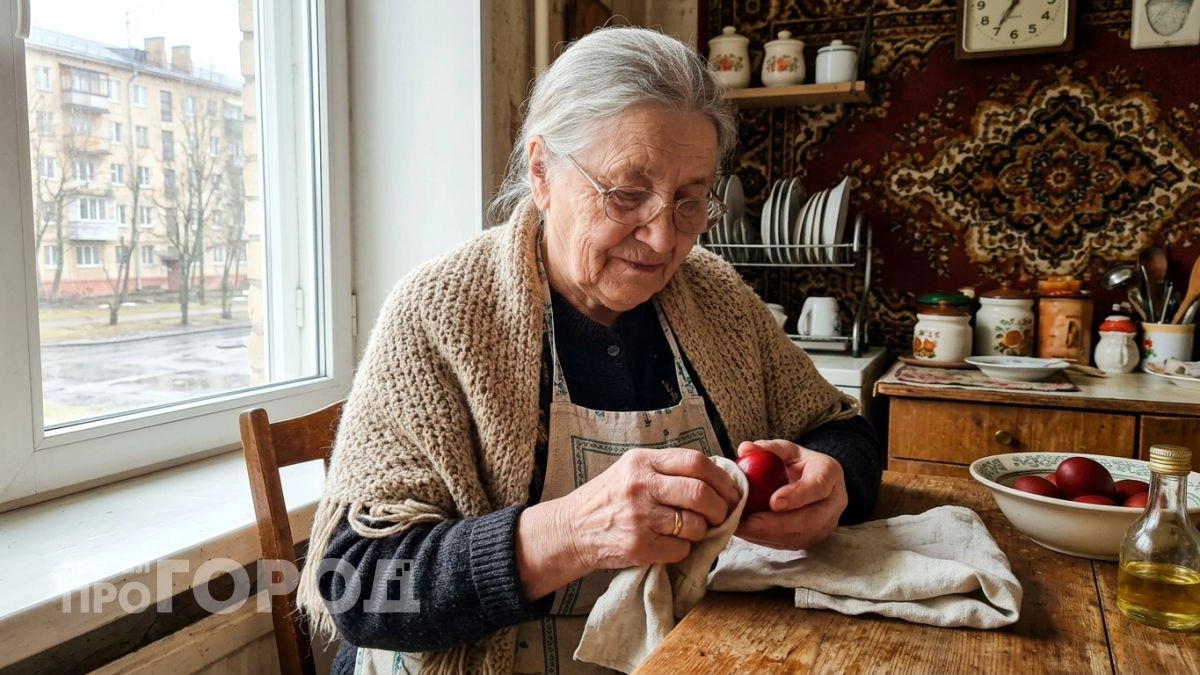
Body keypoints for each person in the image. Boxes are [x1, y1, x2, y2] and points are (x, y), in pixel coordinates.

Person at [297, 26, 883, 675]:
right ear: (542, 171)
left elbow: (843, 432)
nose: (663, 238)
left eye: (691, 201)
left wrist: (834, 483)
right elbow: (360, 586)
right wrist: (568, 533)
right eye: (627, 193)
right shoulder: (440, 314)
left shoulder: (715, 297)